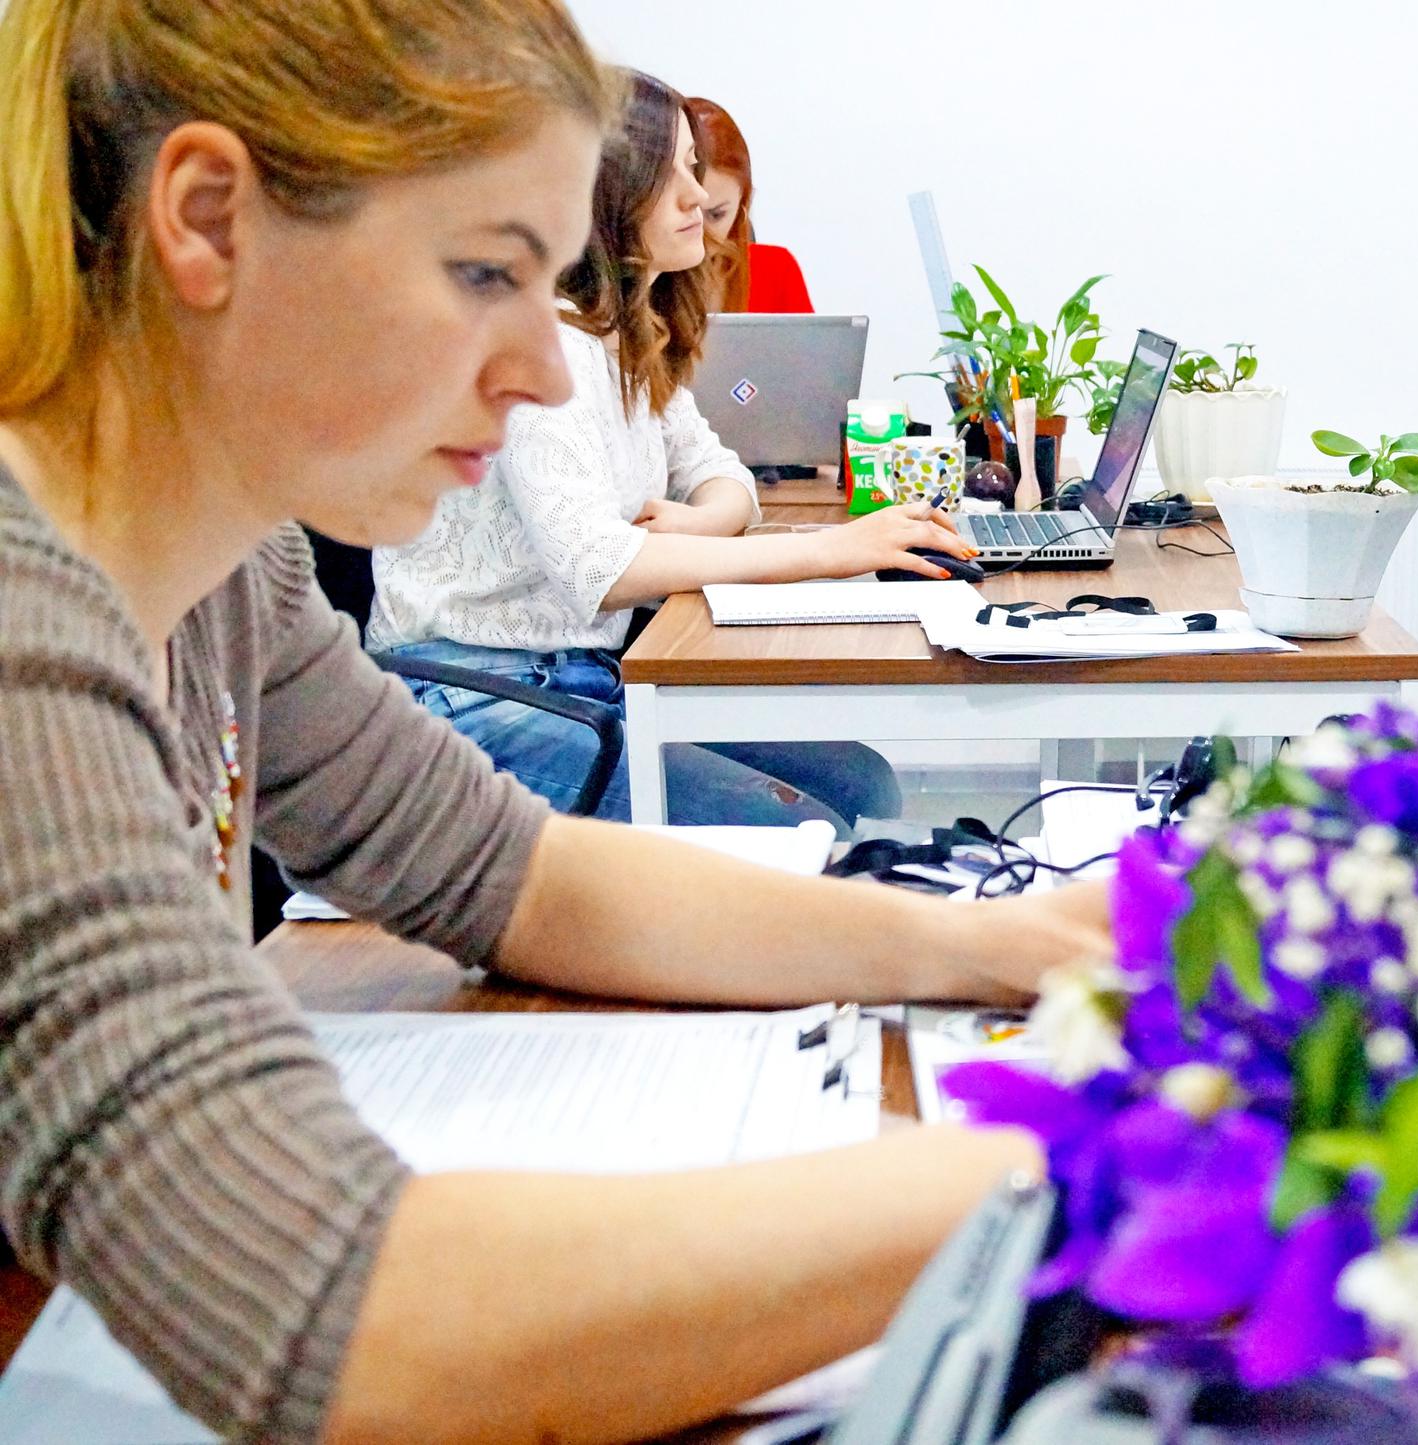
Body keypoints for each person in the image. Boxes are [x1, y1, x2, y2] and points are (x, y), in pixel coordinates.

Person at [0, 5, 1104, 1443]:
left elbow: (513, 874)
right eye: (485, 272)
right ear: (209, 221)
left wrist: (997, 943)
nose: (541, 368)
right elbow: (354, 1321)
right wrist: (1095, 1162)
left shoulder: (231, 568)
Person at [370, 72, 972, 829]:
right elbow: (602, 568)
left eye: (694, 168)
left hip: (584, 678)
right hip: (471, 696)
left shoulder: (629, 334)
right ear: (604, 190)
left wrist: (702, 519)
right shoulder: (546, 338)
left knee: (862, 785)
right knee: (800, 826)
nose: (697, 196)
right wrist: (834, 549)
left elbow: (723, 474)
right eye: (672, 174)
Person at [685, 96, 813, 314]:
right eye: (687, 210)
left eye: (716, 215)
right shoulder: (638, 282)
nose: (701, 234)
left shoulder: (777, 271)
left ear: (744, 202)